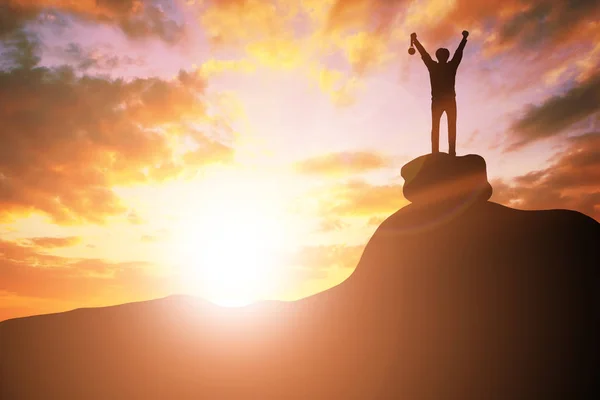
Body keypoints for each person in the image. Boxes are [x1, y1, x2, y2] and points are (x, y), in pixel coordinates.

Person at [412, 31, 468, 156]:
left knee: (436, 127)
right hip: (448, 101)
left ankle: (435, 152)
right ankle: (450, 153)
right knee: (450, 127)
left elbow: (424, 54)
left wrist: (415, 41)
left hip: (439, 101)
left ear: (438, 56)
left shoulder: (433, 66)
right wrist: (464, 39)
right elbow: (458, 53)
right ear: (446, 57)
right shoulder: (450, 66)